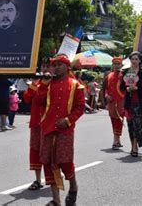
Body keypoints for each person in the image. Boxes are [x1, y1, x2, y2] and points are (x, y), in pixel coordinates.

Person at [35, 54, 85, 206]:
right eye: (54, 65)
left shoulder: (75, 84)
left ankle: (73, 186)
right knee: (48, 162)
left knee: (65, 162)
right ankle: (56, 200)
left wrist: (68, 120)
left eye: (59, 65)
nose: (55, 67)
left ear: (67, 67)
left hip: (65, 130)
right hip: (47, 128)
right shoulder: (46, 83)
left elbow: (80, 107)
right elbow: (37, 102)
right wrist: (43, 85)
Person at [22, 57, 51, 191]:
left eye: (48, 66)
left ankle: (52, 178)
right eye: (43, 66)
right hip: (35, 122)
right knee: (35, 150)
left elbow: (43, 100)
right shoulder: (36, 82)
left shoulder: (55, 83)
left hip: (50, 123)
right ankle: (38, 180)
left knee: (50, 151)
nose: (45, 69)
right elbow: (27, 98)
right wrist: (34, 85)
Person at [120, 51, 142, 157]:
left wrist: (137, 88)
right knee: (130, 126)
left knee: (137, 125)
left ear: (140, 61)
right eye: (132, 59)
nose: (134, 61)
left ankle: (137, 142)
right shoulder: (125, 72)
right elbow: (121, 87)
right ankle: (133, 146)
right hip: (128, 102)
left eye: (136, 59)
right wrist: (128, 88)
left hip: (139, 102)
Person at [103, 57, 126, 150]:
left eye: (118, 64)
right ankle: (118, 140)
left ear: (121, 65)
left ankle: (115, 141)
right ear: (112, 65)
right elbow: (105, 88)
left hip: (121, 101)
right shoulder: (109, 76)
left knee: (119, 120)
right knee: (113, 121)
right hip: (111, 102)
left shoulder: (124, 76)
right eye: (115, 64)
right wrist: (106, 96)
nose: (116, 65)